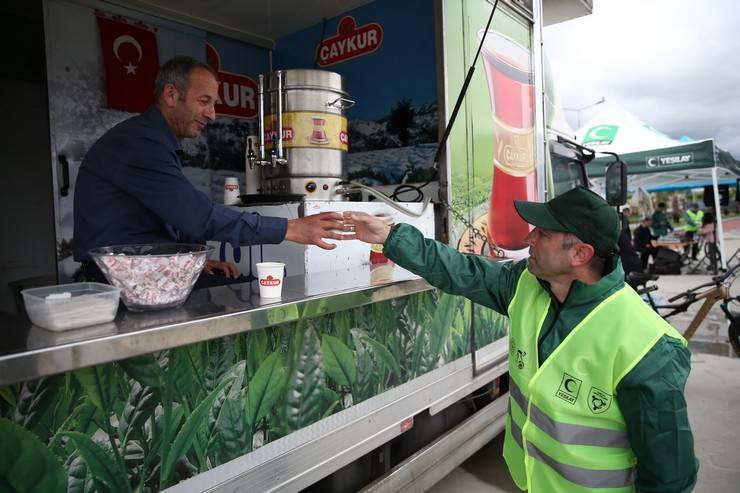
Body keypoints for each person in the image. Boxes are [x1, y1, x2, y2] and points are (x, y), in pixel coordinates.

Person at [344, 186, 698, 493]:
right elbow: (462, 270)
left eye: (542, 233)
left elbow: (669, 474)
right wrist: (389, 236)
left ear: (580, 254)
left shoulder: (649, 349)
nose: (528, 238)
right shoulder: (527, 286)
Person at [74, 56, 344, 285]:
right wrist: (289, 228)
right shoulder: (139, 144)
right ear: (170, 95)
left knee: (238, 284)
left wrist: (191, 263)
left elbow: (168, 217)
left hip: (146, 268)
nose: (212, 114)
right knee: (247, 295)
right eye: (204, 101)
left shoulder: (151, 140)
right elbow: (197, 216)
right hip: (119, 280)